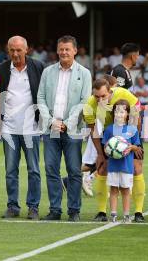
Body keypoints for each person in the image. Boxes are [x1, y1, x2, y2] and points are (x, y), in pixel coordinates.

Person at [37, 35, 92, 222]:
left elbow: (85, 101)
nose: (64, 52)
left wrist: (67, 122)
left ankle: (74, 210)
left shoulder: (84, 73)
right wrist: (50, 120)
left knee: (74, 171)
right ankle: (55, 210)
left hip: (73, 129)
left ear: (75, 50)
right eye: (61, 49)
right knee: (51, 169)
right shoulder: (48, 72)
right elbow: (41, 98)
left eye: (67, 49)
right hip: (50, 127)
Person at [83, 78, 144, 222]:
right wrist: (100, 154)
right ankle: (101, 212)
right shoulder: (89, 105)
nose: (100, 100)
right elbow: (94, 131)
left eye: (103, 96)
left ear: (110, 92)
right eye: (96, 96)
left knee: (136, 168)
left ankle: (138, 213)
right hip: (109, 135)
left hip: (128, 132)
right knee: (102, 168)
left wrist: (132, 136)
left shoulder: (124, 94)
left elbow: (137, 115)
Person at [0, 36, 44, 220]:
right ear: (8, 51)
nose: (15, 54)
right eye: (12, 50)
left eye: (19, 50)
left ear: (27, 50)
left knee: (33, 169)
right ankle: (12, 206)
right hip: (9, 128)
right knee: (10, 170)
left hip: (31, 128)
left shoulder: (38, 67)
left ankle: (33, 207)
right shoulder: (1, 69)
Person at [103, 100, 141, 223]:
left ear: (127, 114)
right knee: (113, 189)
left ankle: (126, 215)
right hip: (113, 166)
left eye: (122, 111)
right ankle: (113, 214)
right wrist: (110, 149)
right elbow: (105, 146)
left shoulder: (132, 129)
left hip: (126, 166)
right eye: (117, 111)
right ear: (113, 113)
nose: (119, 114)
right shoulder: (109, 130)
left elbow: (137, 147)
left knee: (125, 190)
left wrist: (131, 147)